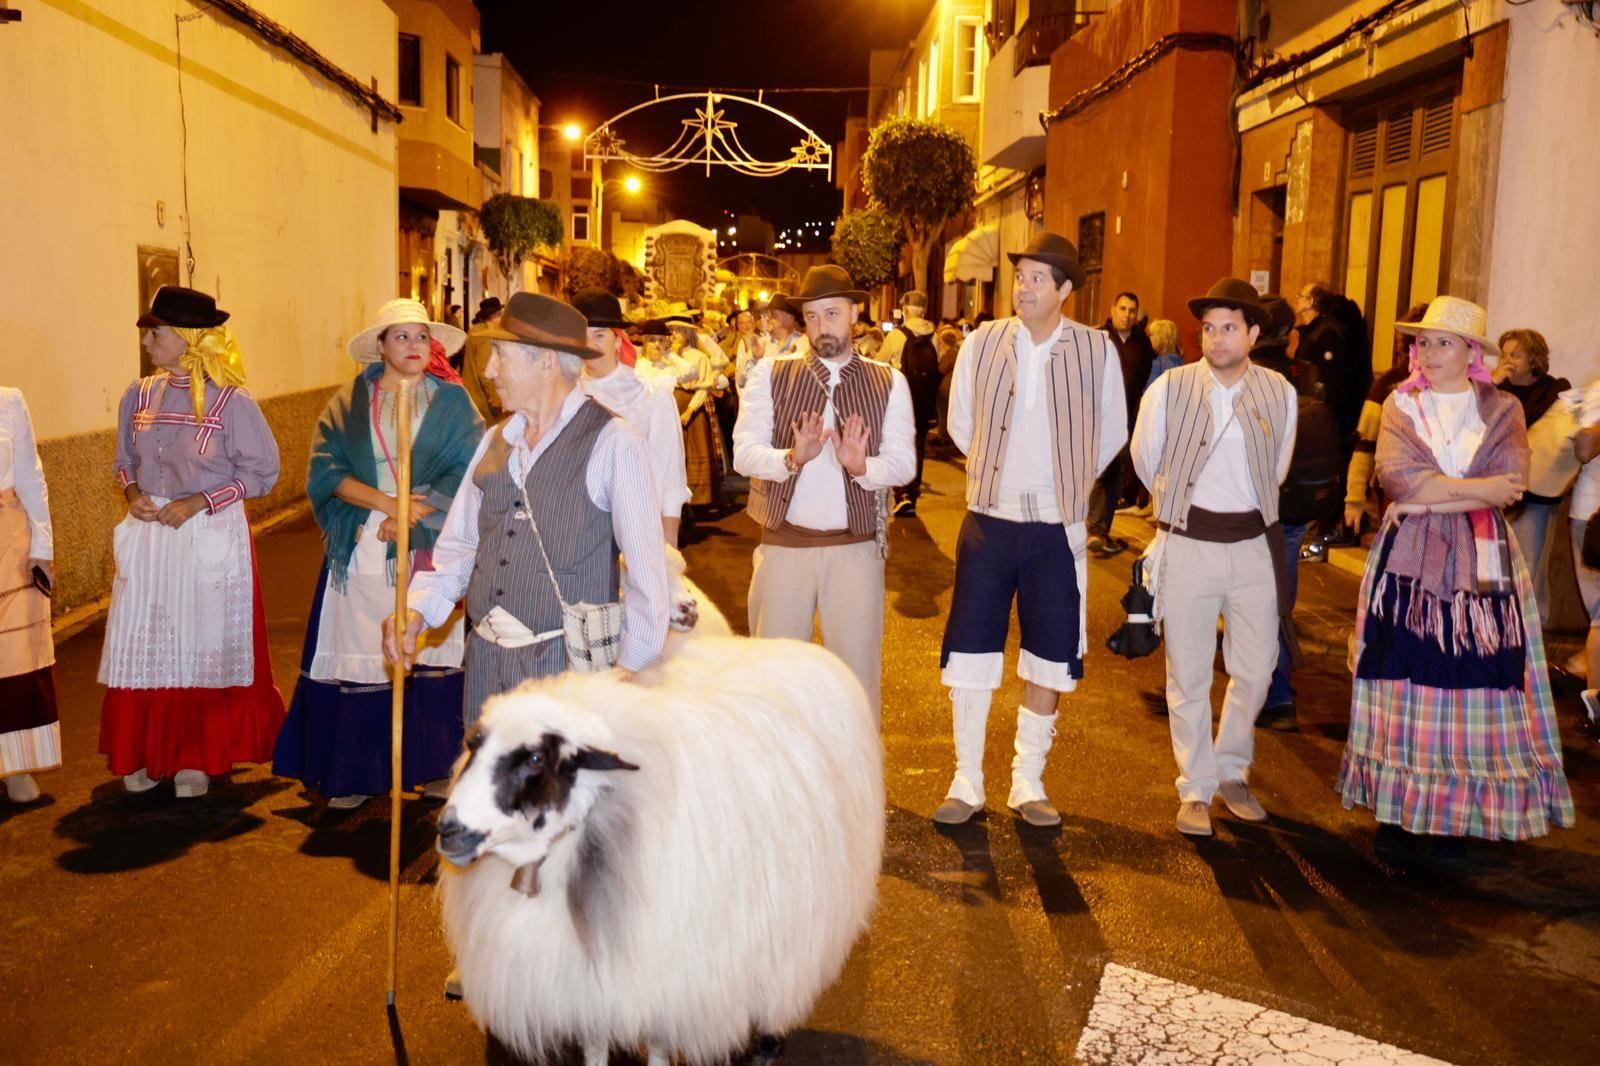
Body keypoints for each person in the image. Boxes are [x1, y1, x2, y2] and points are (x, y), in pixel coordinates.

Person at [1340, 295, 1575, 849]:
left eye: (1443, 341)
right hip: (1408, 562)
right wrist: (1465, 493)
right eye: (1423, 341)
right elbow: (1400, 480)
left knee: (1479, 673)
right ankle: (1400, 808)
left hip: (1484, 558)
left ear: (1471, 351)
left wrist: (1427, 500)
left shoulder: (1502, 410)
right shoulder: (1402, 405)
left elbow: (1511, 484)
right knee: (1404, 671)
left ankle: (1463, 810)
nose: (1429, 351)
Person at [383, 292, 669, 725]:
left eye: (500, 354)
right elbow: (459, 548)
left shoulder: (615, 442)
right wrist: (417, 609)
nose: (488, 369)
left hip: (567, 674)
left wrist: (625, 673)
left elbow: (648, 574)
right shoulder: (494, 440)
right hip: (484, 667)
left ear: (546, 363)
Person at [933, 233, 1127, 827]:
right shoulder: (983, 342)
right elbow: (961, 421)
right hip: (989, 522)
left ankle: (1027, 781)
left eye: (1039, 278)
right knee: (970, 652)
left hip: (1055, 529)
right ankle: (967, 779)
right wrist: (997, 474)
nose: (1024, 286)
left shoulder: (1097, 351)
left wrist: (1062, 483)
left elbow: (1112, 431)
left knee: (1049, 654)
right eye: (1021, 276)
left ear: (1066, 290)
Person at [272, 300, 482, 810]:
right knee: (365, 650)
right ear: (382, 347)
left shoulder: (454, 404)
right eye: (402, 337)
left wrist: (418, 513)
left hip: (430, 541)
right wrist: (384, 506)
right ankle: (358, 772)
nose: (414, 347)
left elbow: (472, 468)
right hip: (367, 541)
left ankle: (436, 767)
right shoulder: (349, 404)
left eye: (421, 337)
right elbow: (325, 471)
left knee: (431, 651)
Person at [100, 286, 284, 799]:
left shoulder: (231, 401)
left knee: (199, 643)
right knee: (148, 639)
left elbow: (263, 473)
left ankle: (195, 755)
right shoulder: (136, 396)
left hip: (208, 533)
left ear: (184, 340)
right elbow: (122, 459)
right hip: (153, 536)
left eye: (155, 332)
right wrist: (133, 492)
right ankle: (142, 751)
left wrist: (200, 501)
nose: (148, 342)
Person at [1132, 278, 1298, 837]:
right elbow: (1144, 456)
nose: (1217, 338)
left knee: (1255, 668)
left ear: (1253, 334)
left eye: (1229, 328)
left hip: (1253, 543)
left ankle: (1232, 769)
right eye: (1208, 328)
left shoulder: (1280, 391)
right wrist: (1176, 501)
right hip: (1188, 542)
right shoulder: (1170, 387)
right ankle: (1196, 787)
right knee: (1189, 673)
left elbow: (1278, 468)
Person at [733, 264, 915, 720]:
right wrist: (792, 458)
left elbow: (903, 464)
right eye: (812, 317)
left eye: (832, 314)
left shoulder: (889, 381)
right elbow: (744, 454)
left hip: (854, 551)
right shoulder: (771, 374)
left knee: (855, 688)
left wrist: (862, 467)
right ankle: (774, 787)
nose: (821, 327)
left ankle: (853, 788)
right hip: (783, 546)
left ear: (855, 313)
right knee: (770, 687)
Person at [1248, 295, 1343, 732]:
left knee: (1251, 604)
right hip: (1295, 506)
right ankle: (1277, 687)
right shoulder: (1303, 373)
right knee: (1279, 599)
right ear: (1290, 334)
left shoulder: (1245, 378)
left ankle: (1275, 693)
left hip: (1251, 508)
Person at [573, 287, 690, 544]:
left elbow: (670, 474)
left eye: (599, 335)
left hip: (634, 528)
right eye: (580, 336)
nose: (589, 344)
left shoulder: (652, 393)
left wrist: (667, 547)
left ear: (617, 340)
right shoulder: (564, 392)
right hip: (574, 531)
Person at [0, 386, 58, 804]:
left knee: (14, 655)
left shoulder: (9, 401)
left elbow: (29, 475)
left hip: (7, 540)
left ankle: (14, 765)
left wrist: (42, 547)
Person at [1494, 328, 1571, 614]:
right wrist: (1492, 384)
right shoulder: (1497, 391)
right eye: (1504, 355)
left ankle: (1532, 632)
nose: (1507, 361)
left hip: (1537, 493)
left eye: (1515, 354)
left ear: (1534, 358)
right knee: (1498, 563)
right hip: (1501, 486)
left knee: (1529, 566)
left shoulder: (1555, 389)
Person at [1343, 304, 1429, 539]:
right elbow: (1365, 443)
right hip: (1395, 490)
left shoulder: (1457, 387)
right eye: (1425, 342)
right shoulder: (1388, 385)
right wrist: (1355, 498)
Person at [1089, 292, 1155, 554]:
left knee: (1116, 474)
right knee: (1100, 472)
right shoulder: (1099, 338)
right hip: (1099, 417)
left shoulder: (1143, 344)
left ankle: (1099, 530)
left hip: (1127, 418)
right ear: (1112, 309)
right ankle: (1093, 528)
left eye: (1132, 310)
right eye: (1123, 308)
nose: (1127, 314)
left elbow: (1144, 377)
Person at [879, 291, 940, 517]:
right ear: (924, 311)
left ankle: (902, 494)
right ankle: (912, 494)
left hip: (901, 400)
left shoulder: (897, 336)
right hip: (923, 401)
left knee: (898, 445)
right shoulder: (934, 336)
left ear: (904, 311)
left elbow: (879, 363)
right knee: (918, 446)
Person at [1294, 282, 1366, 441]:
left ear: (1311, 302)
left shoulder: (1327, 333)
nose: (1297, 299)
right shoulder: (1312, 331)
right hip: (1309, 411)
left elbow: (1331, 382)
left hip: (1320, 418)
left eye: (1301, 296)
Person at [737, 293, 808, 390]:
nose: (767, 319)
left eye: (773, 314)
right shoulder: (761, 344)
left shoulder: (804, 344)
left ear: (789, 318)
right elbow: (742, 382)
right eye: (767, 314)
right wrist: (755, 359)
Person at [460, 296, 505, 422]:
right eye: (501, 315)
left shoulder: (476, 331)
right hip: (482, 401)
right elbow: (485, 371)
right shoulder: (485, 336)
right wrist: (495, 401)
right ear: (496, 316)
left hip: (472, 396)